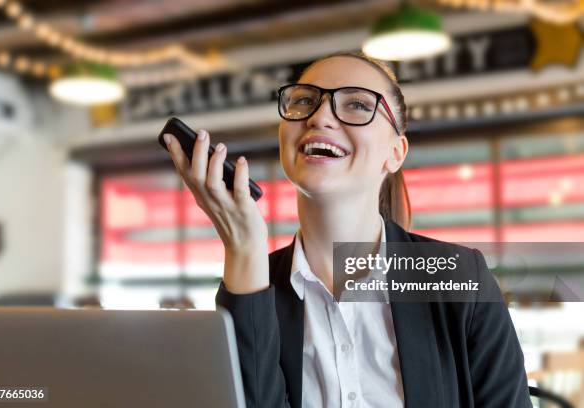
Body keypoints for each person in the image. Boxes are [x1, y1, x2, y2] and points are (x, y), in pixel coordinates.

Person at [162, 51, 532, 408]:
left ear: (396, 152)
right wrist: (244, 249)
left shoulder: (460, 275)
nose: (319, 117)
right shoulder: (252, 285)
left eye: (356, 104)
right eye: (304, 101)